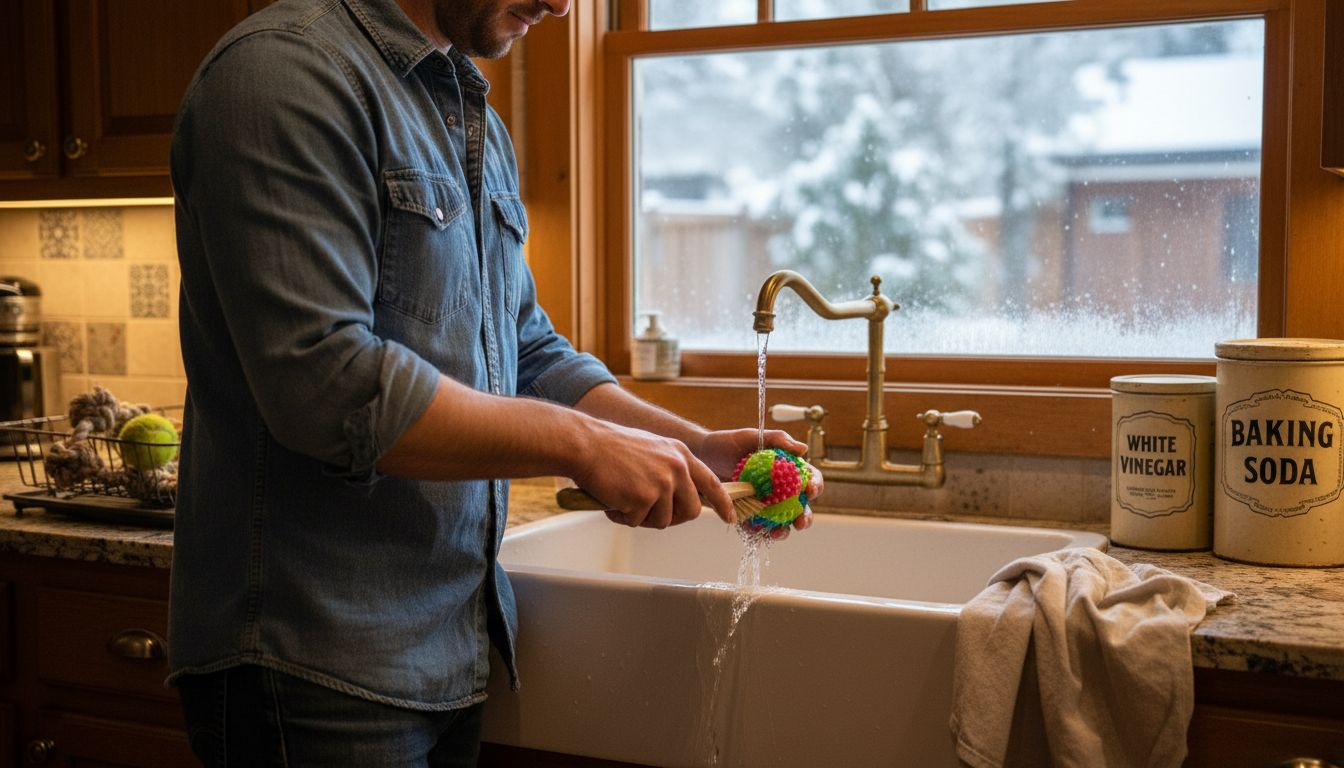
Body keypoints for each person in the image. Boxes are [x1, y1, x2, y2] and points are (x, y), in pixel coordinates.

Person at [167, 0, 820, 764]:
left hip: (450, 648)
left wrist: (690, 444)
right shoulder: (283, 75)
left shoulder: (462, 107)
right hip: (311, 657)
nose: (562, 4)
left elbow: (525, 350)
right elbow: (326, 386)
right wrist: (581, 446)